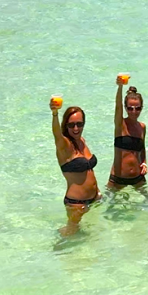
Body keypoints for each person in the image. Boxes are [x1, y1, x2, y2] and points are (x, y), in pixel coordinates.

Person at [50, 100, 100, 234]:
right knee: (70, 236)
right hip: (76, 203)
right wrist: (55, 114)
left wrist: (97, 192)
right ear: (65, 125)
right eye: (71, 125)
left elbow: (89, 171)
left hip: (93, 200)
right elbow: (56, 135)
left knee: (89, 237)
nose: (76, 128)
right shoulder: (64, 145)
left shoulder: (81, 141)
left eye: (79, 124)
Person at [109, 77, 147, 189]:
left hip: (138, 178)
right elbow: (118, 106)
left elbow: (142, 148)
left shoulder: (142, 127)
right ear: (125, 108)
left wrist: (144, 162)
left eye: (137, 108)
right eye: (130, 108)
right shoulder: (120, 124)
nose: (134, 112)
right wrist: (120, 87)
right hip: (118, 179)